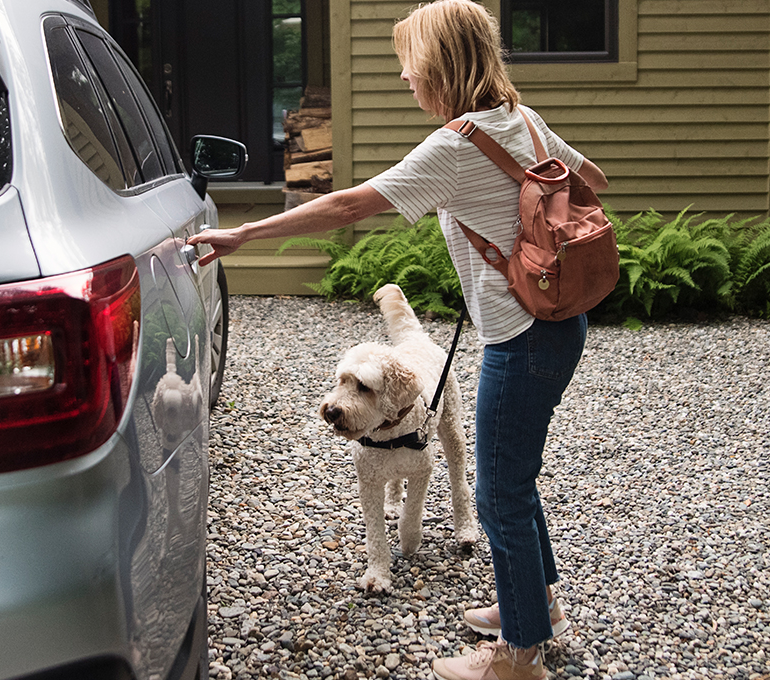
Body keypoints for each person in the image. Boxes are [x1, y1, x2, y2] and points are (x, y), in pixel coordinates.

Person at [188, 1, 608, 678]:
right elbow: (591, 181)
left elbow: (351, 204)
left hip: (522, 340)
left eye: (409, 66)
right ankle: (537, 604)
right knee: (515, 480)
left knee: (499, 490)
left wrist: (242, 234)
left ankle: (518, 655)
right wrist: (521, 231)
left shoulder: (458, 143)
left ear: (440, 65)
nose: (406, 80)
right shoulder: (522, 122)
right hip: (561, 326)